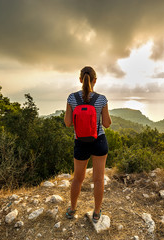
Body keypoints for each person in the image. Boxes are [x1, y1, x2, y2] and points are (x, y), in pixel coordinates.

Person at [64, 66, 112, 223]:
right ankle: (97, 212)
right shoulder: (101, 99)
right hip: (98, 141)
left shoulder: (72, 98)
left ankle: (72, 210)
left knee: (78, 179)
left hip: (80, 142)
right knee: (98, 179)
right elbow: (106, 124)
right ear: (95, 80)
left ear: (80, 79)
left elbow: (67, 123)